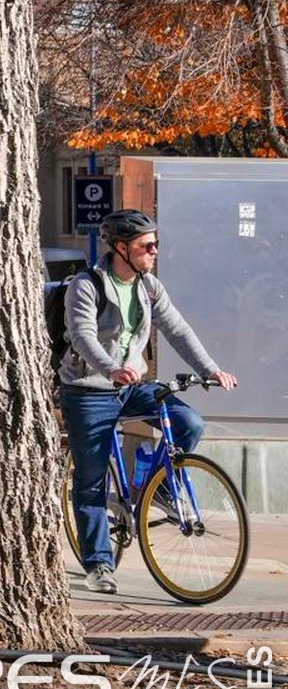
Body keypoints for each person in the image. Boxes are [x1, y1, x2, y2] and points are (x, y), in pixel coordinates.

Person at [60, 210, 238, 593]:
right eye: (146, 246)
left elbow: (177, 329)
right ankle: (99, 565)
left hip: (131, 386)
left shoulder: (149, 286)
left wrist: (210, 369)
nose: (154, 251)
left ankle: (155, 487)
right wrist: (110, 368)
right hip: (89, 390)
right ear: (121, 248)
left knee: (188, 422)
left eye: (155, 244)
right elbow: (82, 336)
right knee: (90, 482)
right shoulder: (86, 285)